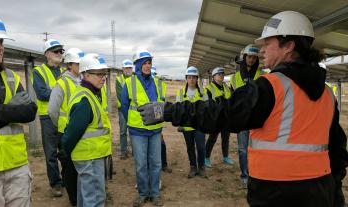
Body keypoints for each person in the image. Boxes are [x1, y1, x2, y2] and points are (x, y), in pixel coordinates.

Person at [139, 11, 348, 207]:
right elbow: (337, 148)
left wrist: (167, 111)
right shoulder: (327, 94)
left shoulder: (272, 87)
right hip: (319, 191)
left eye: (268, 43)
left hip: (276, 193)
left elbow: (221, 112)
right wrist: (335, 192)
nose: (262, 50)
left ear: (289, 46)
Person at [0, 10, 37, 206]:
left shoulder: (10, 76)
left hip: (17, 165)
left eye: (1, 42)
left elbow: (29, 111)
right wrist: (11, 110)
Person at [61, 53, 112, 207]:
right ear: (86, 75)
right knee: (95, 198)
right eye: (99, 74)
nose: (103, 78)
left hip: (90, 155)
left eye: (104, 74)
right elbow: (73, 132)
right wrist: (64, 150)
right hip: (89, 156)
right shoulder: (85, 100)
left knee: (86, 196)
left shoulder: (90, 94)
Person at [121, 49, 165, 207]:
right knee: (140, 164)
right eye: (144, 63)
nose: (147, 66)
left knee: (156, 163)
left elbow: (162, 105)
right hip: (137, 131)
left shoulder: (158, 83)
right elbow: (125, 107)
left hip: (155, 130)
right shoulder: (129, 83)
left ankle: (155, 194)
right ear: (138, 65)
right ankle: (142, 193)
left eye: (149, 63)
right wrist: (133, 122)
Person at [48, 48, 84, 206]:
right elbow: (52, 110)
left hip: (83, 132)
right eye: (78, 63)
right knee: (69, 169)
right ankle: (74, 200)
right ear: (69, 64)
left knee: (81, 165)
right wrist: (61, 127)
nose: (81, 66)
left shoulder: (84, 80)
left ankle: (83, 196)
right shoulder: (61, 83)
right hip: (66, 133)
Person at [32, 38, 65, 197]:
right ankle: (56, 183)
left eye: (61, 51)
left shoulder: (64, 72)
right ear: (47, 54)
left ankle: (66, 179)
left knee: (65, 151)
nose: (59, 54)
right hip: (47, 118)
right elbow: (42, 94)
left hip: (64, 118)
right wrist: (61, 92)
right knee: (51, 153)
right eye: (56, 51)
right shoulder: (39, 71)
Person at [229, 43, 262, 187]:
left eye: (254, 57)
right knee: (242, 149)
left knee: (256, 149)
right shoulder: (235, 77)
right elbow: (232, 99)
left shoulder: (261, 75)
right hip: (242, 119)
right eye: (249, 57)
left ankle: (255, 174)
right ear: (244, 57)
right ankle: (244, 175)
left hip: (256, 119)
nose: (252, 60)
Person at [176, 66, 207, 178]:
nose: (192, 80)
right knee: (190, 147)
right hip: (187, 127)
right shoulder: (180, 93)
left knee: (201, 147)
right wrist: (180, 124)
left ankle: (202, 167)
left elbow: (207, 109)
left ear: (197, 79)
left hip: (199, 126)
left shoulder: (203, 92)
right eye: (189, 77)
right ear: (186, 78)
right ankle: (193, 167)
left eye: (194, 77)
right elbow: (178, 111)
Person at [204, 67, 233, 168]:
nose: (221, 75)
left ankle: (225, 156)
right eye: (219, 74)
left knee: (226, 138)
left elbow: (231, 99)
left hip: (226, 118)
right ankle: (206, 157)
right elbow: (208, 105)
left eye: (222, 74)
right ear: (214, 76)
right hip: (215, 119)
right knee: (212, 138)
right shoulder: (209, 88)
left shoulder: (226, 87)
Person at [151, 65, 172, 173]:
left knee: (161, 143)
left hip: (157, 120)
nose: (153, 77)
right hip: (145, 121)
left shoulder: (160, 85)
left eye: (154, 74)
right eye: (152, 74)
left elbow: (162, 102)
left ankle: (164, 165)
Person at [116, 59, 134, 160]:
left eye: (130, 68)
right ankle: (123, 152)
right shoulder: (119, 79)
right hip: (122, 109)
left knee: (133, 130)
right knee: (123, 131)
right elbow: (120, 95)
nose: (128, 69)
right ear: (123, 69)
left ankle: (134, 151)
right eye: (126, 68)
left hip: (133, 110)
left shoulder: (135, 79)